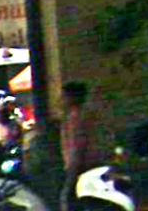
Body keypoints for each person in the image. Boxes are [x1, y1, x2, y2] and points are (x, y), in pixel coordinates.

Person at [60, 81, 96, 211]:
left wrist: (73, 168)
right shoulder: (86, 114)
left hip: (80, 166)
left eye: (64, 96)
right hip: (86, 164)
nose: (61, 100)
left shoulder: (75, 117)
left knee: (69, 200)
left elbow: (77, 144)